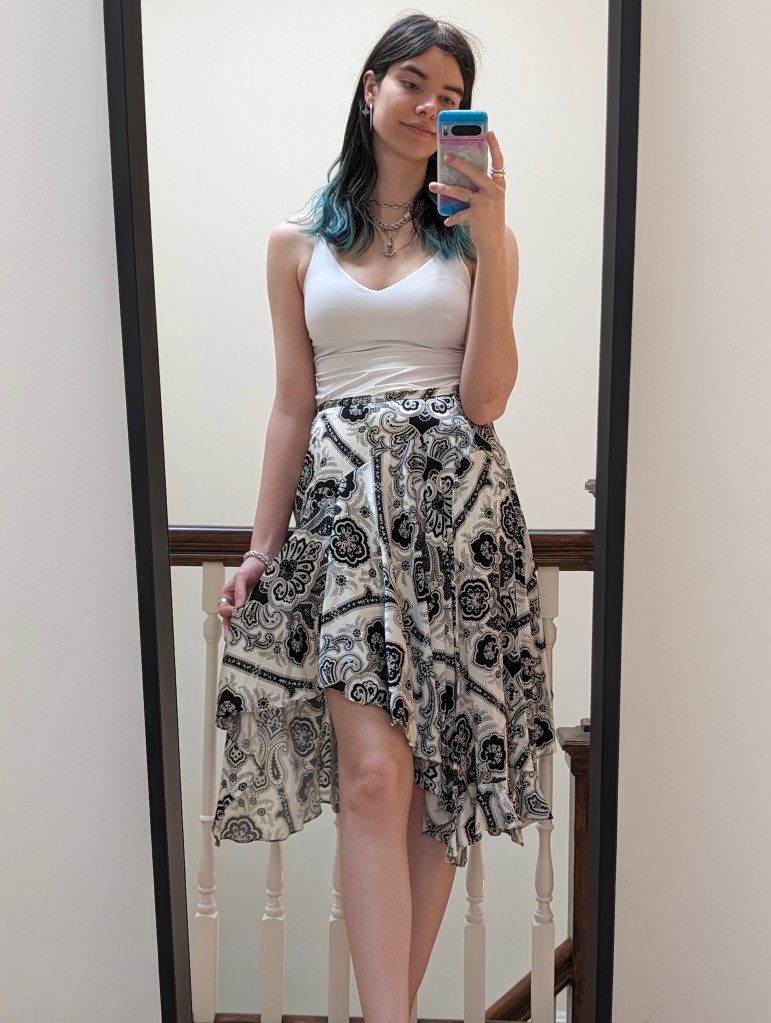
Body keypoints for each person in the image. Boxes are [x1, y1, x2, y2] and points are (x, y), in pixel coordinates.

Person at [213, 13, 554, 1023]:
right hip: (345, 523)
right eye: (414, 83)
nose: (430, 107)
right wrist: (260, 548)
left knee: (437, 783)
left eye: (454, 98)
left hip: (459, 521)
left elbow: (485, 398)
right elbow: (292, 404)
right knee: (371, 779)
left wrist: (490, 236)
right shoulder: (295, 243)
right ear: (371, 88)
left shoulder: (484, 241)